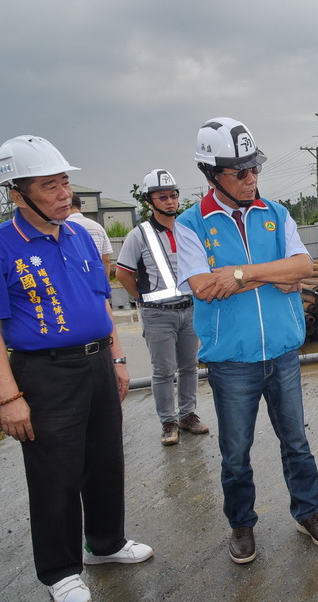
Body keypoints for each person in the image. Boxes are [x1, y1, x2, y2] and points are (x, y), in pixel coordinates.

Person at [0, 136, 152, 602]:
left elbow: (101, 302)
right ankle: (60, 572)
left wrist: (117, 359)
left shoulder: (78, 235)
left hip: (97, 364)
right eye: (49, 186)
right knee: (55, 475)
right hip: (44, 373)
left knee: (106, 461)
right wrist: (9, 397)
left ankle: (105, 544)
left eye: (65, 182)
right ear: (18, 194)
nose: (64, 193)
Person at [175, 117, 318, 564]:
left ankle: (308, 512)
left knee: (297, 442)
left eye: (255, 168)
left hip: (283, 353)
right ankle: (242, 524)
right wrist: (274, 275)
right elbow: (203, 286)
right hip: (232, 362)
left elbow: (301, 267)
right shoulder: (191, 224)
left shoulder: (277, 214)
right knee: (235, 452)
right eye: (241, 171)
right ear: (212, 174)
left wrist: (241, 274)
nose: (252, 178)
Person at [116, 169, 208, 446]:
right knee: (164, 370)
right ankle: (168, 422)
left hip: (189, 309)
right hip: (157, 314)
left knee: (189, 366)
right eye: (163, 197)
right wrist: (141, 298)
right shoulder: (139, 235)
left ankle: (187, 415)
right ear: (150, 201)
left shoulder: (186, 229)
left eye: (173, 195)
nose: (170, 201)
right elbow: (123, 273)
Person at [67, 193, 113, 277]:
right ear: (80, 207)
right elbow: (106, 260)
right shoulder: (98, 227)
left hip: (73, 277)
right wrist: (104, 281)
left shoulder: (61, 227)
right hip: (96, 276)